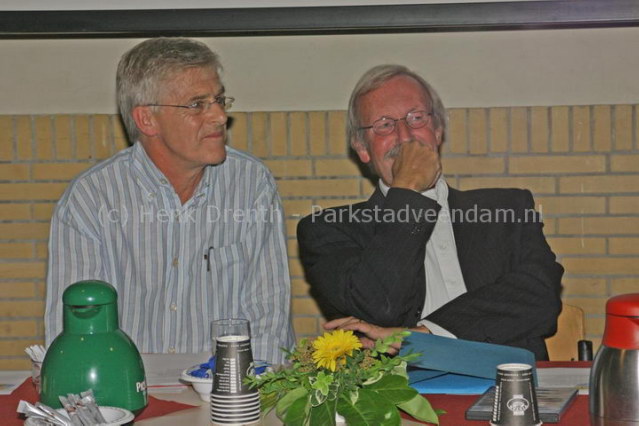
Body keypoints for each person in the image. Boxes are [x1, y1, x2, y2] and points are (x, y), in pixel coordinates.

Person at [44, 38, 294, 364]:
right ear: (147, 119)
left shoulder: (250, 183)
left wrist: (253, 387)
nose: (220, 116)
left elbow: (268, 311)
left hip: (228, 384)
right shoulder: (92, 198)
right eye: (197, 104)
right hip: (126, 385)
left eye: (219, 100)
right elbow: (75, 331)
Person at [297, 64, 563, 360]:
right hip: (402, 386)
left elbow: (540, 299)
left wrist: (424, 336)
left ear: (437, 130)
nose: (405, 136)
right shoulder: (328, 229)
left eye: (416, 118)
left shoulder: (507, 209)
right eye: (384, 124)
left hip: (509, 379)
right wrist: (407, 191)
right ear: (362, 148)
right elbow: (379, 307)